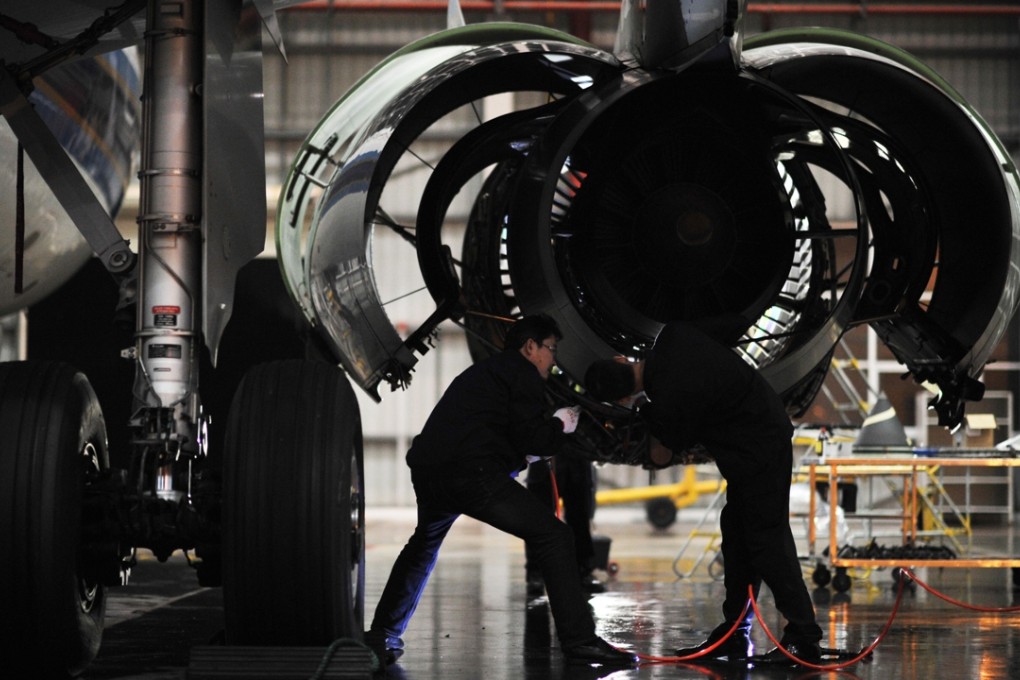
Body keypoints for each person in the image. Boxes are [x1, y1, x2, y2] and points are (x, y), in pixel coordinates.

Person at [364, 314, 637, 668]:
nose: (553, 359)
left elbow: (502, 433)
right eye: (550, 349)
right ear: (530, 347)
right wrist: (560, 425)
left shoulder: (489, 374)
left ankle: (383, 632)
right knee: (554, 536)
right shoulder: (522, 373)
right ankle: (581, 641)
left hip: (431, 471)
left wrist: (534, 443)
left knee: (423, 545)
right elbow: (533, 437)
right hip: (470, 474)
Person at [584, 319, 825, 666]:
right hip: (759, 441)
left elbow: (660, 455)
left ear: (622, 395)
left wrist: (641, 415)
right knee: (738, 535)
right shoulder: (675, 334)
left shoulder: (666, 402)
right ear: (621, 360)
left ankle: (804, 637)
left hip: (759, 450)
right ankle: (734, 632)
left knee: (766, 540)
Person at [524, 453, 606, 596]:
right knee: (539, 520)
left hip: (576, 457)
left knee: (580, 519)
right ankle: (535, 575)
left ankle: (583, 572)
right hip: (544, 456)